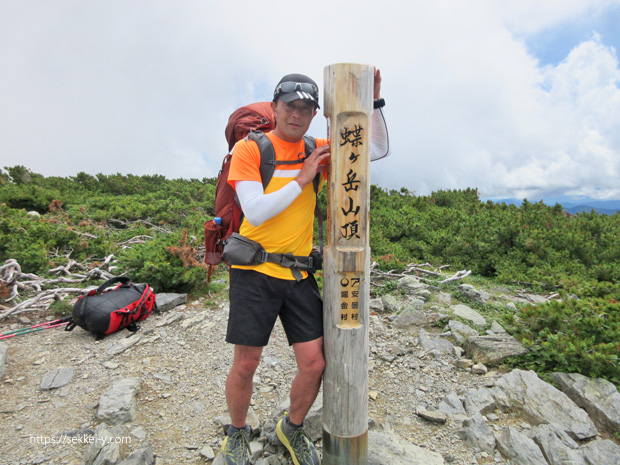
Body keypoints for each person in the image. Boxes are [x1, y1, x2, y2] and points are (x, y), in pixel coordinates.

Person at [221, 69, 390, 465]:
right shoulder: (252, 150)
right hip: (254, 273)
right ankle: (237, 432)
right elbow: (256, 212)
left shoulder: (319, 147)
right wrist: (304, 176)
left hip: (298, 275)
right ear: (275, 107)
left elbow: (372, 150)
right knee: (247, 362)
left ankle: (292, 428)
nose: (297, 114)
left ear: (315, 113)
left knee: (314, 363)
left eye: (306, 107)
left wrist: (373, 102)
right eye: (290, 106)